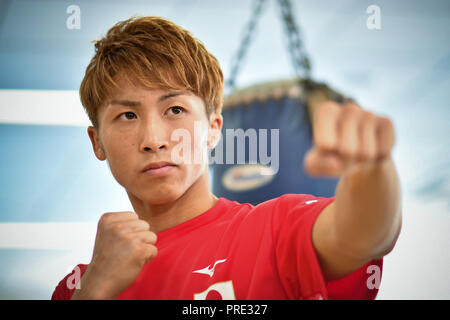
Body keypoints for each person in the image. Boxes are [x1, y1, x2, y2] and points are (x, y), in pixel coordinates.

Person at [51, 16, 402, 300]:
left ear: (214, 128)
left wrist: (373, 168)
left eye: (175, 109)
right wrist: (93, 294)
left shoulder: (275, 229)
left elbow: (366, 234)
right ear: (98, 142)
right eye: (127, 116)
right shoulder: (78, 286)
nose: (153, 140)